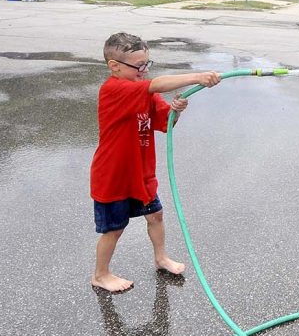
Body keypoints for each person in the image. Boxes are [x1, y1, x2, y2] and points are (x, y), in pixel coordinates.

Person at [90, 32, 221, 293]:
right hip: (114, 176)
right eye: (139, 66)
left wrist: (175, 112)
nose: (145, 71)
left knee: (156, 215)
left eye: (147, 64)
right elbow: (156, 85)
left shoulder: (142, 92)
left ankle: (161, 258)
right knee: (114, 229)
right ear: (114, 66)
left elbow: (164, 122)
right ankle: (101, 274)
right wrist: (197, 76)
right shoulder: (113, 90)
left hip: (141, 173)